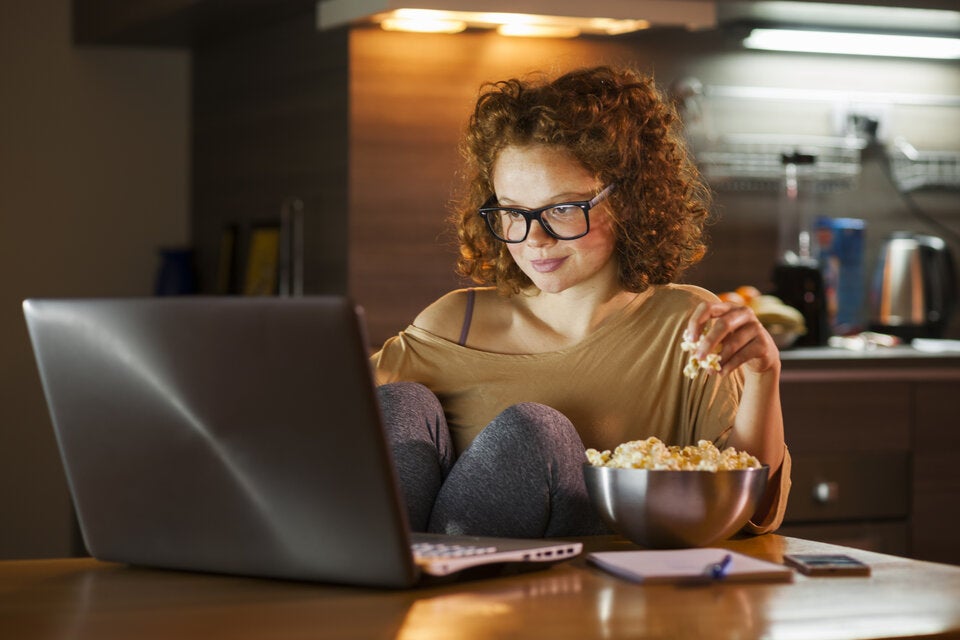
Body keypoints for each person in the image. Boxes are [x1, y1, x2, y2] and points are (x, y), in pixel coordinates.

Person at [371, 65, 790, 539]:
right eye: (512, 212)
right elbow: (325, 424)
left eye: (563, 208)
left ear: (628, 200)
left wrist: (763, 376)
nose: (535, 239)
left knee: (535, 431)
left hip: (585, 593)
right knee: (397, 403)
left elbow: (746, 513)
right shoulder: (453, 323)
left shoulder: (689, 328)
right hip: (413, 575)